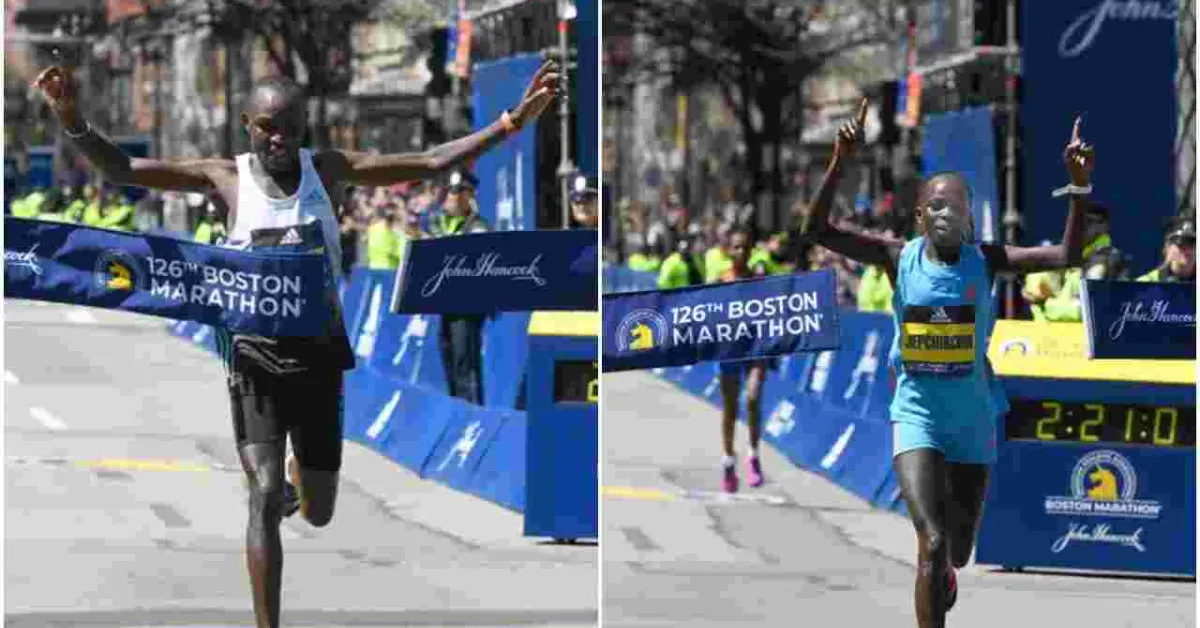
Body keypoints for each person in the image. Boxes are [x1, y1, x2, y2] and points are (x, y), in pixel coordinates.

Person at [33, 59, 558, 628]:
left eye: (288, 128)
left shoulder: (327, 171)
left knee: (320, 511)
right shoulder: (225, 178)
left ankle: (295, 481)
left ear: (305, 127)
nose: (277, 139)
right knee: (260, 495)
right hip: (252, 358)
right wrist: (71, 119)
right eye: (266, 127)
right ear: (247, 125)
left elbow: (429, 162)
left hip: (318, 356)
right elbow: (125, 168)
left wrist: (509, 123)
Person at [801, 99, 1089, 628]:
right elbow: (817, 231)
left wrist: (1078, 186)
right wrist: (840, 160)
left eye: (956, 206)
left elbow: (1067, 256)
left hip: (973, 419)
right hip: (918, 416)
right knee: (931, 542)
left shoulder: (988, 260)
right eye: (935, 206)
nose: (945, 214)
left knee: (957, 550)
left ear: (969, 217)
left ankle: (945, 574)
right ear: (919, 217)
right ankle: (934, 581)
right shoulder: (897, 257)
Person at [713, 224, 772, 492]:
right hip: (729, 350)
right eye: (736, 247)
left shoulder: (759, 281)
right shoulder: (721, 281)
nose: (741, 252)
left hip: (754, 348)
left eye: (745, 248)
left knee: (753, 397)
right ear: (728, 250)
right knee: (730, 408)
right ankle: (728, 461)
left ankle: (753, 455)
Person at [429, 169, 490, 404]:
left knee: (466, 363)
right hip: (446, 304)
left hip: (468, 306)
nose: (450, 197)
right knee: (448, 359)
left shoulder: (478, 227)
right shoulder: (440, 223)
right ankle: (457, 408)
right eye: (449, 192)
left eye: (457, 192)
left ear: (469, 195)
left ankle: (472, 413)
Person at [1138, 217, 1195, 282]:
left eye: (1192, 243)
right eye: (1181, 243)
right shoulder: (1144, 283)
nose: (1188, 250)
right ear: (1167, 247)